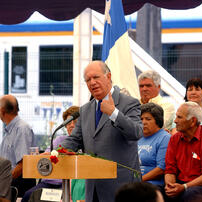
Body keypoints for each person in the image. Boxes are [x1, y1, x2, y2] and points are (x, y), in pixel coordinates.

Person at [61, 60, 143, 202]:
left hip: (121, 186)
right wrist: (55, 152)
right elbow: (75, 139)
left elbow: (136, 132)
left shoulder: (129, 102)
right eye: (88, 80)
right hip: (93, 187)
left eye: (96, 77)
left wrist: (114, 113)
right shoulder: (85, 109)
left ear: (108, 76)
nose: (92, 82)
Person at [22, 106, 85, 202]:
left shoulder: (86, 144)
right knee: (29, 195)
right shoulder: (60, 140)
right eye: (68, 123)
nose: (71, 125)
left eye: (75, 122)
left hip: (67, 185)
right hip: (49, 182)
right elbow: (47, 155)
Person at [165, 102, 202, 202]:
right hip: (181, 184)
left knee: (190, 194)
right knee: (153, 192)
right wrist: (171, 186)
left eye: (179, 117)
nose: (175, 121)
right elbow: (170, 170)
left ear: (192, 121)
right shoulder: (174, 139)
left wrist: (184, 187)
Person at [0, 94, 36, 197]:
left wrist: (3, 182)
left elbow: (23, 164)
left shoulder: (21, 129)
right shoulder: (10, 130)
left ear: (2, 111)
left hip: (17, 187)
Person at [138, 103, 170, 188]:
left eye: (148, 119)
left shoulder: (165, 138)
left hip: (153, 185)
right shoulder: (137, 137)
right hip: (135, 181)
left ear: (158, 120)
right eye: (141, 119)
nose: (143, 122)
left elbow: (161, 169)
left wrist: (139, 180)